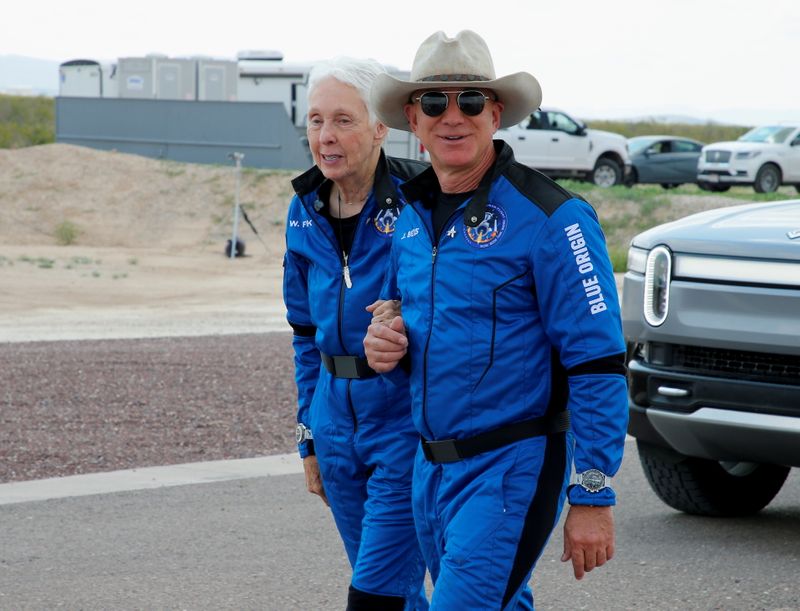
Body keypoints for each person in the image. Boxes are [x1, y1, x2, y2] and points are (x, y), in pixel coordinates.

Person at [364, 30, 628, 609]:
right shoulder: (408, 215)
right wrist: (383, 341)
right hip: (429, 468)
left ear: (496, 113)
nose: (451, 116)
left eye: (470, 101)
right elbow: (396, 314)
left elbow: (600, 361)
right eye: (434, 102)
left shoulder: (554, 219)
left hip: (511, 466)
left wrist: (593, 492)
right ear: (413, 115)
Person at [282, 57, 428, 610]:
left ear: (380, 127)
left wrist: (407, 315)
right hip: (333, 421)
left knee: (375, 595)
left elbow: (459, 308)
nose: (326, 135)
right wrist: (309, 437)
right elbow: (302, 332)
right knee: (397, 592)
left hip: (403, 424)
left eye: (343, 119)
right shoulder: (303, 210)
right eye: (316, 121)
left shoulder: (424, 203)